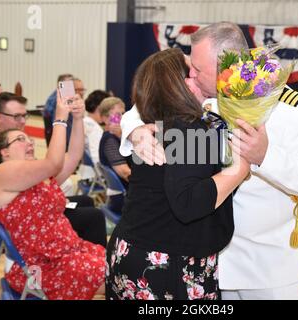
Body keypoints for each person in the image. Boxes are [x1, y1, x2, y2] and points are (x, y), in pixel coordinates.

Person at [119, 22, 298, 300]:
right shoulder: (198, 96)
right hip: (210, 261)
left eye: (198, 69)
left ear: (227, 67)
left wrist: (265, 156)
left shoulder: (289, 109)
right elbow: (143, 103)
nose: (191, 75)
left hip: (269, 264)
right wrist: (135, 131)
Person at [105, 48, 250, 300]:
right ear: (182, 83)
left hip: (132, 251)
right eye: (191, 69)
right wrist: (242, 168)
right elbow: (189, 202)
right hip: (166, 263)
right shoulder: (189, 128)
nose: (197, 72)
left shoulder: (157, 124)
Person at [0, 91, 106, 300]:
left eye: (29, 139)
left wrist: (77, 119)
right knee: (124, 277)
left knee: (125, 264)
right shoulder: (2, 173)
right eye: (20, 140)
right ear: (4, 152)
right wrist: (60, 118)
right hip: (43, 268)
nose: (30, 143)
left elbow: (73, 156)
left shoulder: (35, 176)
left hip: (71, 254)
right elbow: (53, 162)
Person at [98, 97, 130, 213]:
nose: (122, 118)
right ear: (105, 119)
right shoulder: (110, 141)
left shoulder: (118, 138)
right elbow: (125, 173)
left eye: (123, 113)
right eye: (117, 115)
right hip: (123, 199)